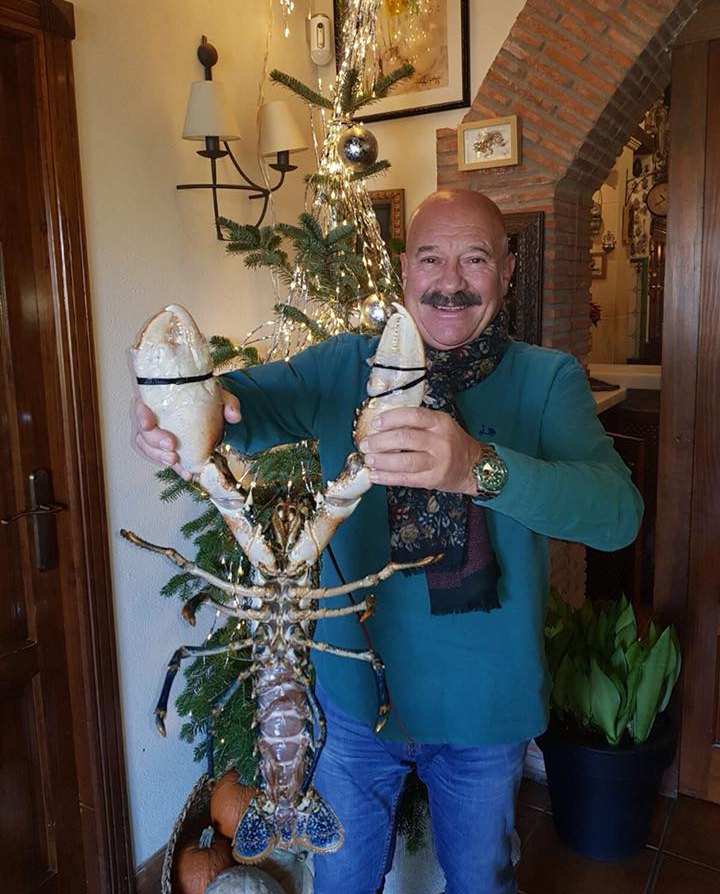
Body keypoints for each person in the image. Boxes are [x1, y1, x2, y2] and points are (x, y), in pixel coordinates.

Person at [134, 189, 643, 894]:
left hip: (484, 709)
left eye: (474, 259)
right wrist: (174, 408)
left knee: (481, 884)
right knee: (342, 882)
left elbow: (617, 516)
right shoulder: (343, 366)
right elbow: (238, 405)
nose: (449, 282)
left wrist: (478, 468)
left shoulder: (547, 379)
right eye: (430, 258)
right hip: (352, 711)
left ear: (507, 270)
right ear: (405, 270)